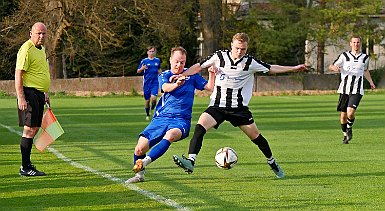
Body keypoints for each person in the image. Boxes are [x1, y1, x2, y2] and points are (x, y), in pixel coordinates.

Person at [172, 32, 306, 179]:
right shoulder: (219, 56)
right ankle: (191, 161)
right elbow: (198, 66)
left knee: (256, 137)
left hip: (239, 109)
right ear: (231, 45)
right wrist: (182, 75)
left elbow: (271, 68)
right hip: (218, 105)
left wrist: (293, 68)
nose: (239, 52)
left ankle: (272, 162)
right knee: (200, 126)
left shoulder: (250, 62)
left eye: (243, 49)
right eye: (237, 48)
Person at [126, 46, 215, 183]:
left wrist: (212, 74)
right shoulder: (165, 75)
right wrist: (177, 84)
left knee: (171, 135)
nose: (179, 65)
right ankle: (139, 176)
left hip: (181, 120)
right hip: (160, 119)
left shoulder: (191, 75)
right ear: (170, 60)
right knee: (139, 149)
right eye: (177, 61)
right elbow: (165, 88)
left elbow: (209, 87)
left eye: (183, 62)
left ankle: (145, 162)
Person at [15, 22, 51, 176]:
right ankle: (25, 167)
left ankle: (27, 164)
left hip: (38, 94)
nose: (41, 36)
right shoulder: (26, 49)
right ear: (31, 33)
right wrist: (21, 98)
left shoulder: (41, 50)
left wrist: (45, 92)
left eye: (44, 33)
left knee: (35, 129)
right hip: (29, 93)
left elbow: (41, 72)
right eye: (38, 33)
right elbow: (18, 74)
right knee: (29, 129)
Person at [328, 35, 376, 144]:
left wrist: (371, 82)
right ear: (350, 44)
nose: (356, 44)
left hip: (357, 90)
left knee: (350, 112)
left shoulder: (365, 57)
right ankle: (345, 135)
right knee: (343, 115)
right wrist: (334, 68)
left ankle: (349, 128)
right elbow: (331, 65)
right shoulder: (344, 56)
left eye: (358, 42)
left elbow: (365, 70)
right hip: (344, 90)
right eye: (354, 42)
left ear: (360, 43)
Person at [137, 46, 162, 120]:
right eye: (150, 51)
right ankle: (147, 114)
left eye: (153, 51)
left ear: (155, 52)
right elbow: (138, 71)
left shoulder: (157, 60)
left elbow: (159, 69)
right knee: (147, 101)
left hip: (155, 82)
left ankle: (153, 107)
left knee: (154, 98)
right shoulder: (144, 61)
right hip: (147, 83)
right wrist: (142, 68)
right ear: (147, 52)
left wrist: (160, 72)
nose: (151, 53)